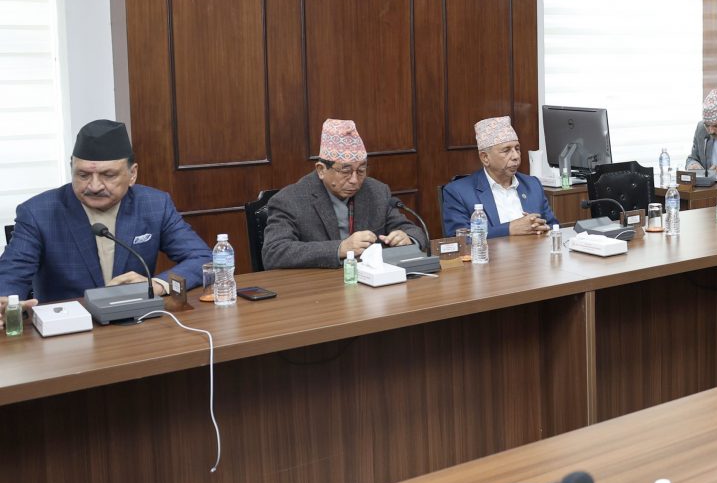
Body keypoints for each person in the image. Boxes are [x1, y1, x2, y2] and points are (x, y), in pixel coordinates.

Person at [0, 119, 211, 307]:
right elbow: (12, 273)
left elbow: (203, 258)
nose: (94, 186)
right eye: (83, 175)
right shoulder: (38, 213)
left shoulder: (154, 205)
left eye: (108, 175)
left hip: (136, 321)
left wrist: (156, 285)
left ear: (132, 174)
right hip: (68, 326)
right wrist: (4, 304)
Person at [261, 119, 427, 270]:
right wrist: (340, 248)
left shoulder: (377, 191)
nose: (355, 180)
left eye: (361, 170)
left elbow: (414, 231)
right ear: (321, 170)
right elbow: (273, 253)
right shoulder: (289, 200)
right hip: (319, 286)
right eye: (346, 171)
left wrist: (407, 238)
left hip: (370, 283)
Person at [441, 116, 555, 238]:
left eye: (517, 149)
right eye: (506, 150)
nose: (516, 156)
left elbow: (553, 226)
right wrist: (509, 229)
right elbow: (458, 238)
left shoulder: (532, 184)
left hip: (534, 250)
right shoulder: (458, 192)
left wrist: (543, 228)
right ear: (485, 158)